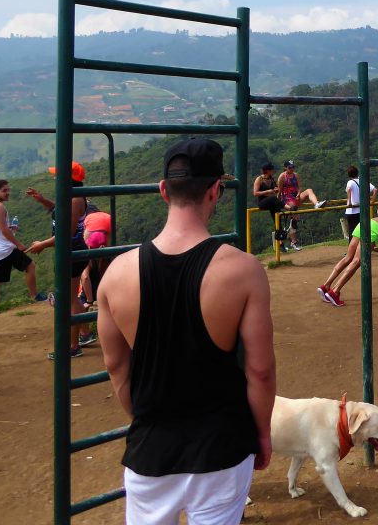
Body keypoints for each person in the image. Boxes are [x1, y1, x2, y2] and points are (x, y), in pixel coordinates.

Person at [97, 138, 275, 524]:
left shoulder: (116, 274)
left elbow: (117, 368)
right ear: (215, 190)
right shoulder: (243, 270)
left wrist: (151, 422)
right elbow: (259, 371)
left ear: (164, 190)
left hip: (149, 451)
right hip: (222, 447)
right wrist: (262, 434)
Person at [25, 161, 95, 358]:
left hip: (71, 253)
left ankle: (72, 347)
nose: (55, 178)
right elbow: (60, 211)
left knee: (69, 300)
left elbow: (67, 232)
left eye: (58, 175)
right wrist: (42, 200)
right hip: (72, 252)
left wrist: (43, 244)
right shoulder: (70, 196)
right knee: (72, 298)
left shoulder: (74, 200)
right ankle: (85, 334)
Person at [0, 179, 40, 316]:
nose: (8, 193)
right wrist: (18, 244)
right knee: (30, 266)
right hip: (5, 248)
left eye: (8, 190)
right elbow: (3, 230)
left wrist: (10, 228)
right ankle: (34, 296)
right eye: (4, 190)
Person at [278, 160, 327, 252]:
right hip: (287, 199)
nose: (292, 169)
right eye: (290, 167)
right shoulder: (282, 176)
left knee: (309, 190)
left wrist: (299, 193)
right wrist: (279, 203)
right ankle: (294, 241)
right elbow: (280, 191)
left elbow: (299, 187)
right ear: (285, 168)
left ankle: (316, 204)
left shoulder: (295, 175)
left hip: (295, 197)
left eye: (293, 167)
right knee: (294, 218)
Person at [252, 163, 288, 253]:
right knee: (272, 198)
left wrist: (276, 190)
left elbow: (275, 189)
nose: (274, 171)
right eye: (272, 170)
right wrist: (268, 191)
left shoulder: (271, 179)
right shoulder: (259, 179)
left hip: (271, 202)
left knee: (278, 218)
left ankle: (281, 244)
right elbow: (255, 193)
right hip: (262, 203)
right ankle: (287, 207)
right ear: (268, 170)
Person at [344, 165, 376, 241]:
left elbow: (348, 190)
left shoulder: (350, 182)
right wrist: (373, 201)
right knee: (364, 230)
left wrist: (350, 202)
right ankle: (368, 247)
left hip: (351, 211)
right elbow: (375, 190)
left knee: (353, 231)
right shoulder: (363, 180)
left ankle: (352, 250)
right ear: (357, 173)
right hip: (362, 210)